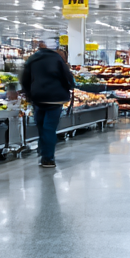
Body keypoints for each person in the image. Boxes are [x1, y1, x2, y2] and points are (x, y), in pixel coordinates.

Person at [19, 40, 75, 168]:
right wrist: (69, 86)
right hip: (55, 99)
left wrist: (29, 93)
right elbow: (67, 77)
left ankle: (42, 149)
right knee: (49, 128)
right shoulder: (57, 59)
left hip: (37, 98)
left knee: (41, 126)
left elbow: (25, 78)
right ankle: (48, 158)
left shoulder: (32, 59)